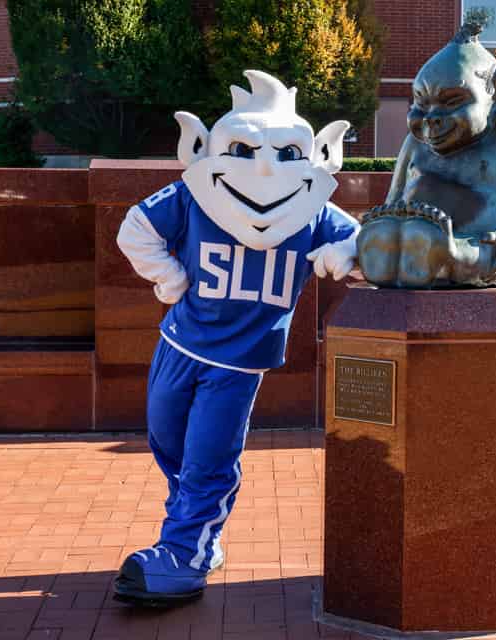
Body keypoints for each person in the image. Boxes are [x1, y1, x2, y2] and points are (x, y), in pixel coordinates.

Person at [113, 70, 359, 607]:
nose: (264, 165)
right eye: (246, 148)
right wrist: (170, 277)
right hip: (179, 341)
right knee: (166, 439)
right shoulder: (195, 194)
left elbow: (368, 241)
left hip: (240, 359)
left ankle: (184, 555)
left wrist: (351, 251)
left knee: (208, 455)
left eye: (283, 151)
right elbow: (135, 227)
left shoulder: (312, 206)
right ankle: (200, 535)